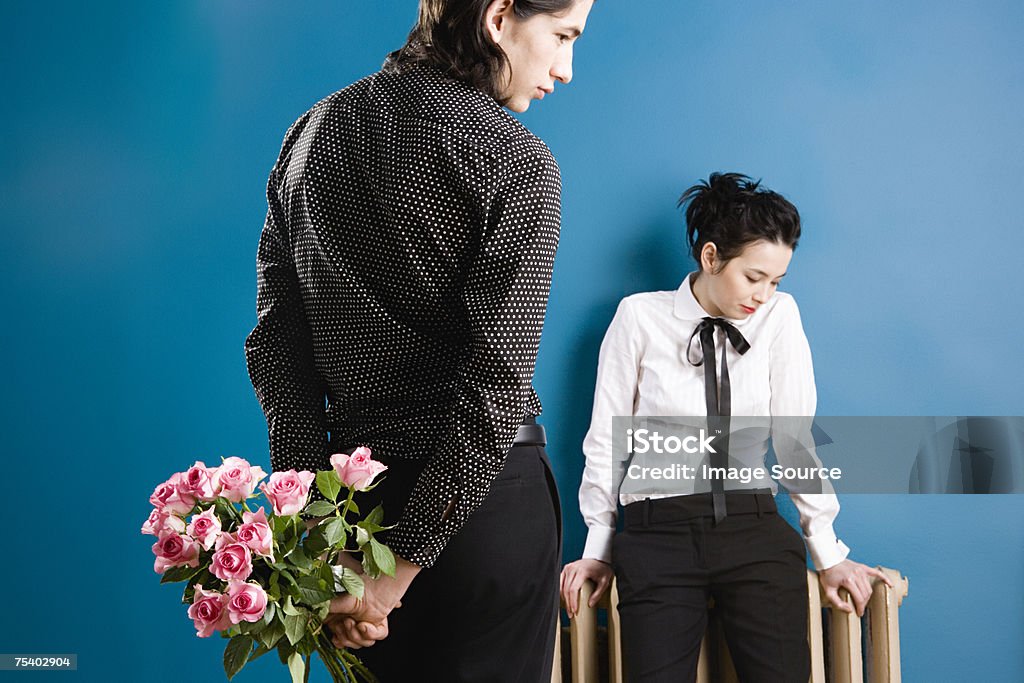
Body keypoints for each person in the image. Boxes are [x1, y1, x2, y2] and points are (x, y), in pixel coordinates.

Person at [243, 0, 594, 680]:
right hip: (480, 517)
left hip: (356, 509)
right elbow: (495, 386)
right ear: (498, 18)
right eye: (561, 36)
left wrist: (324, 527)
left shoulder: (309, 134)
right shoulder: (518, 162)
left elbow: (276, 347)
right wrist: (399, 568)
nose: (566, 67)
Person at [560, 173, 891, 682]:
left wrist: (827, 550)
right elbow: (606, 439)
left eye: (777, 280)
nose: (764, 294)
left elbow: (794, 438)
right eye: (754, 276)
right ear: (711, 257)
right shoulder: (639, 318)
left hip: (752, 528)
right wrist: (598, 547)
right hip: (656, 535)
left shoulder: (779, 317)